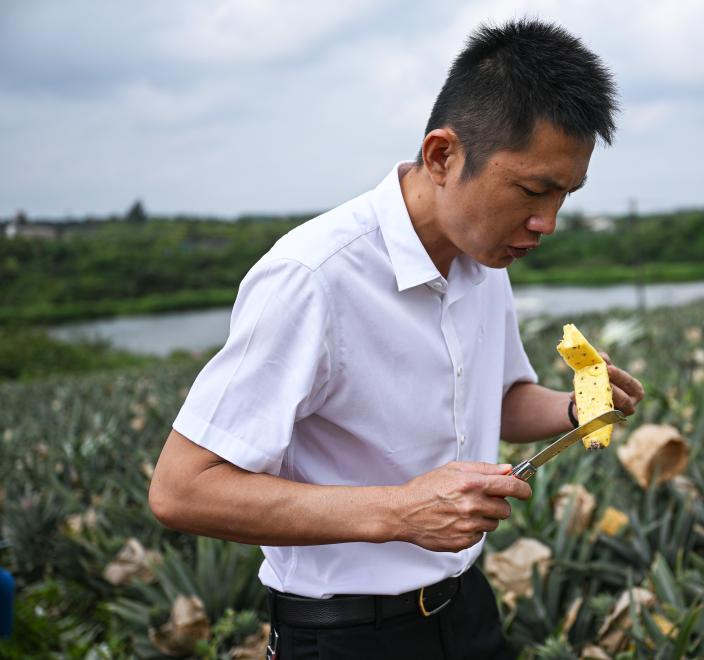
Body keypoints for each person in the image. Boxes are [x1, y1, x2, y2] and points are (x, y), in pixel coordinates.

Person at [149, 18, 644, 660]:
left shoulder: (484, 257)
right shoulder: (313, 277)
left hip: (465, 607)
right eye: (532, 190)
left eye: (565, 197)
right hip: (346, 634)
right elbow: (181, 489)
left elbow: (500, 397)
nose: (546, 223)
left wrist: (576, 408)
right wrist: (401, 511)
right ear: (442, 156)